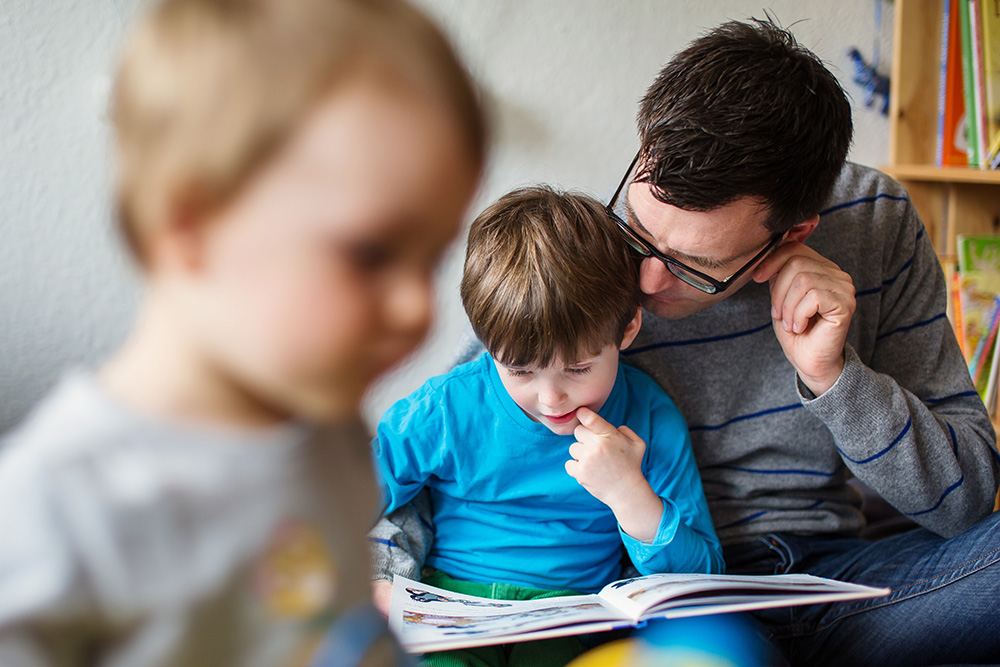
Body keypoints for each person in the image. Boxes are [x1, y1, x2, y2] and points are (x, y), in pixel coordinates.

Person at [372, 19, 1000, 667]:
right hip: (664, 596)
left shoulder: (875, 222)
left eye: (693, 265)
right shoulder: (581, 252)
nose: (641, 280)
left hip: (843, 575)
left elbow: (967, 501)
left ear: (791, 236)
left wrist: (835, 378)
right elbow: (466, 420)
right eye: (638, 229)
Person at [0, 0, 485, 664]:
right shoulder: (55, 515)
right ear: (190, 226)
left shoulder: (332, 439)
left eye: (431, 259)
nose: (417, 308)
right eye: (372, 253)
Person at [370, 187, 723, 666]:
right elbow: (352, 492)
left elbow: (701, 579)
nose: (551, 398)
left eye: (578, 369)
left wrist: (629, 493)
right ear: (488, 346)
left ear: (627, 330)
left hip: (571, 618)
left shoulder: (648, 416)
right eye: (519, 371)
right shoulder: (450, 405)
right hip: (451, 608)